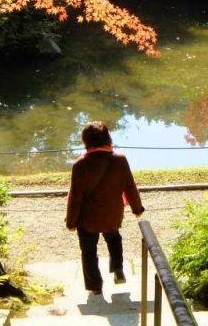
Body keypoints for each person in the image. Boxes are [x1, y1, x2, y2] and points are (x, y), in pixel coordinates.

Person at [66, 121, 144, 294]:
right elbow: (130, 187)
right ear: (108, 137)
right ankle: (117, 269)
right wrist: (137, 209)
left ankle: (95, 286)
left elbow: (75, 197)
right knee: (114, 238)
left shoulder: (80, 164)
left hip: (88, 218)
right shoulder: (120, 160)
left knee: (88, 251)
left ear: (85, 140)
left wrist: (71, 222)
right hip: (113, 213)